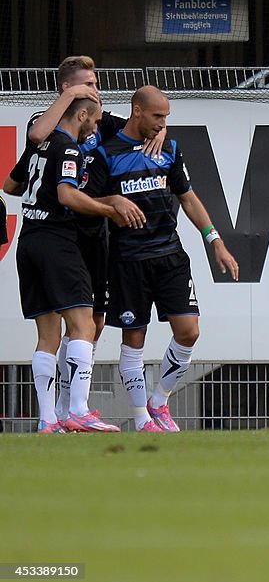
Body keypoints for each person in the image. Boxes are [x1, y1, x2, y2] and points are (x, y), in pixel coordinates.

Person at [87, 86, 239, 432]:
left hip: (169, 254)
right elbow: (88, 203)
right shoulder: (105, 154)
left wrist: (214, 240)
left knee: (189, 331)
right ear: (136, 111)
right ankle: (142, 418)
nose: (163, 123)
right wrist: (113, 200)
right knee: (134, 339)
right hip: (127, 259)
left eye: (166, 117)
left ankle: (160, 399)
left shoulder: (168, 148)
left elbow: (187, 198)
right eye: (158, 116)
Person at [27, 55, 165, 425]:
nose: (97, 91)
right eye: (89, 84)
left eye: (97, 84)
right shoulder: (50, 125)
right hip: (64, 234)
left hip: (94, 239)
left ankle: (59, 411)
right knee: (71, 323)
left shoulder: (101, 124)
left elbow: (143, 126)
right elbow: (37, 137)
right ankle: (73, 411)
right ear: (68, 89)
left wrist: (162, 130)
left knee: (93, 324)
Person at [3, 96, 139, 433]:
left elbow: (10, 185)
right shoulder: (68, 148)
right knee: (84, 326)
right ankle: (78, 409)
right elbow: (66, 195)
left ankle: (47, 419)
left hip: (29, 240)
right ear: (81, 114)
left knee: (47, 336)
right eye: (92, 121)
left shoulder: (40, 145)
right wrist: (109, 209)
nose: (94, 128)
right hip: (57, 243)